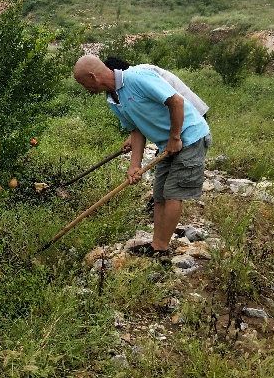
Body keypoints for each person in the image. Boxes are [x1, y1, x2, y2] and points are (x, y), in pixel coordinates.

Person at [73, 55, 211, 257]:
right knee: (159, 194)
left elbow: (176, 101)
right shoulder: (113, 99)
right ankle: (156, 245)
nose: (85, 88)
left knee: (173, 193)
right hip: (167, 145)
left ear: (92, 76)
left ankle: (162, 248)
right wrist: (134, 166)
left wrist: (174, 137)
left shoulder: (136, 78)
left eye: (82, 83)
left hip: (189, 136)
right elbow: (136, 130)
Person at [103, 56, 209, 119]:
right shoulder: (125, 86)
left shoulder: (141, 73)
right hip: (175, 119)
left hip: (191, 114)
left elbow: (175, 101)